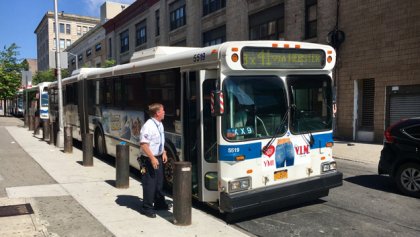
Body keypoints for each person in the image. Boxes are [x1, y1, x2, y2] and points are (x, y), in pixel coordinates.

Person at [138, 103, 170, 218]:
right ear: (157, 113)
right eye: (163, 110)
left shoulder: (160, 124)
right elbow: (143, 144)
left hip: (158, 157)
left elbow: (161, 141)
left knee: (159, 182)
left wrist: (164, 152)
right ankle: (146, 208)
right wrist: (152, 158)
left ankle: (159, 203)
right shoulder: (148, 126)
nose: (164, 112)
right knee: (149, 184)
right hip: (148, 159)